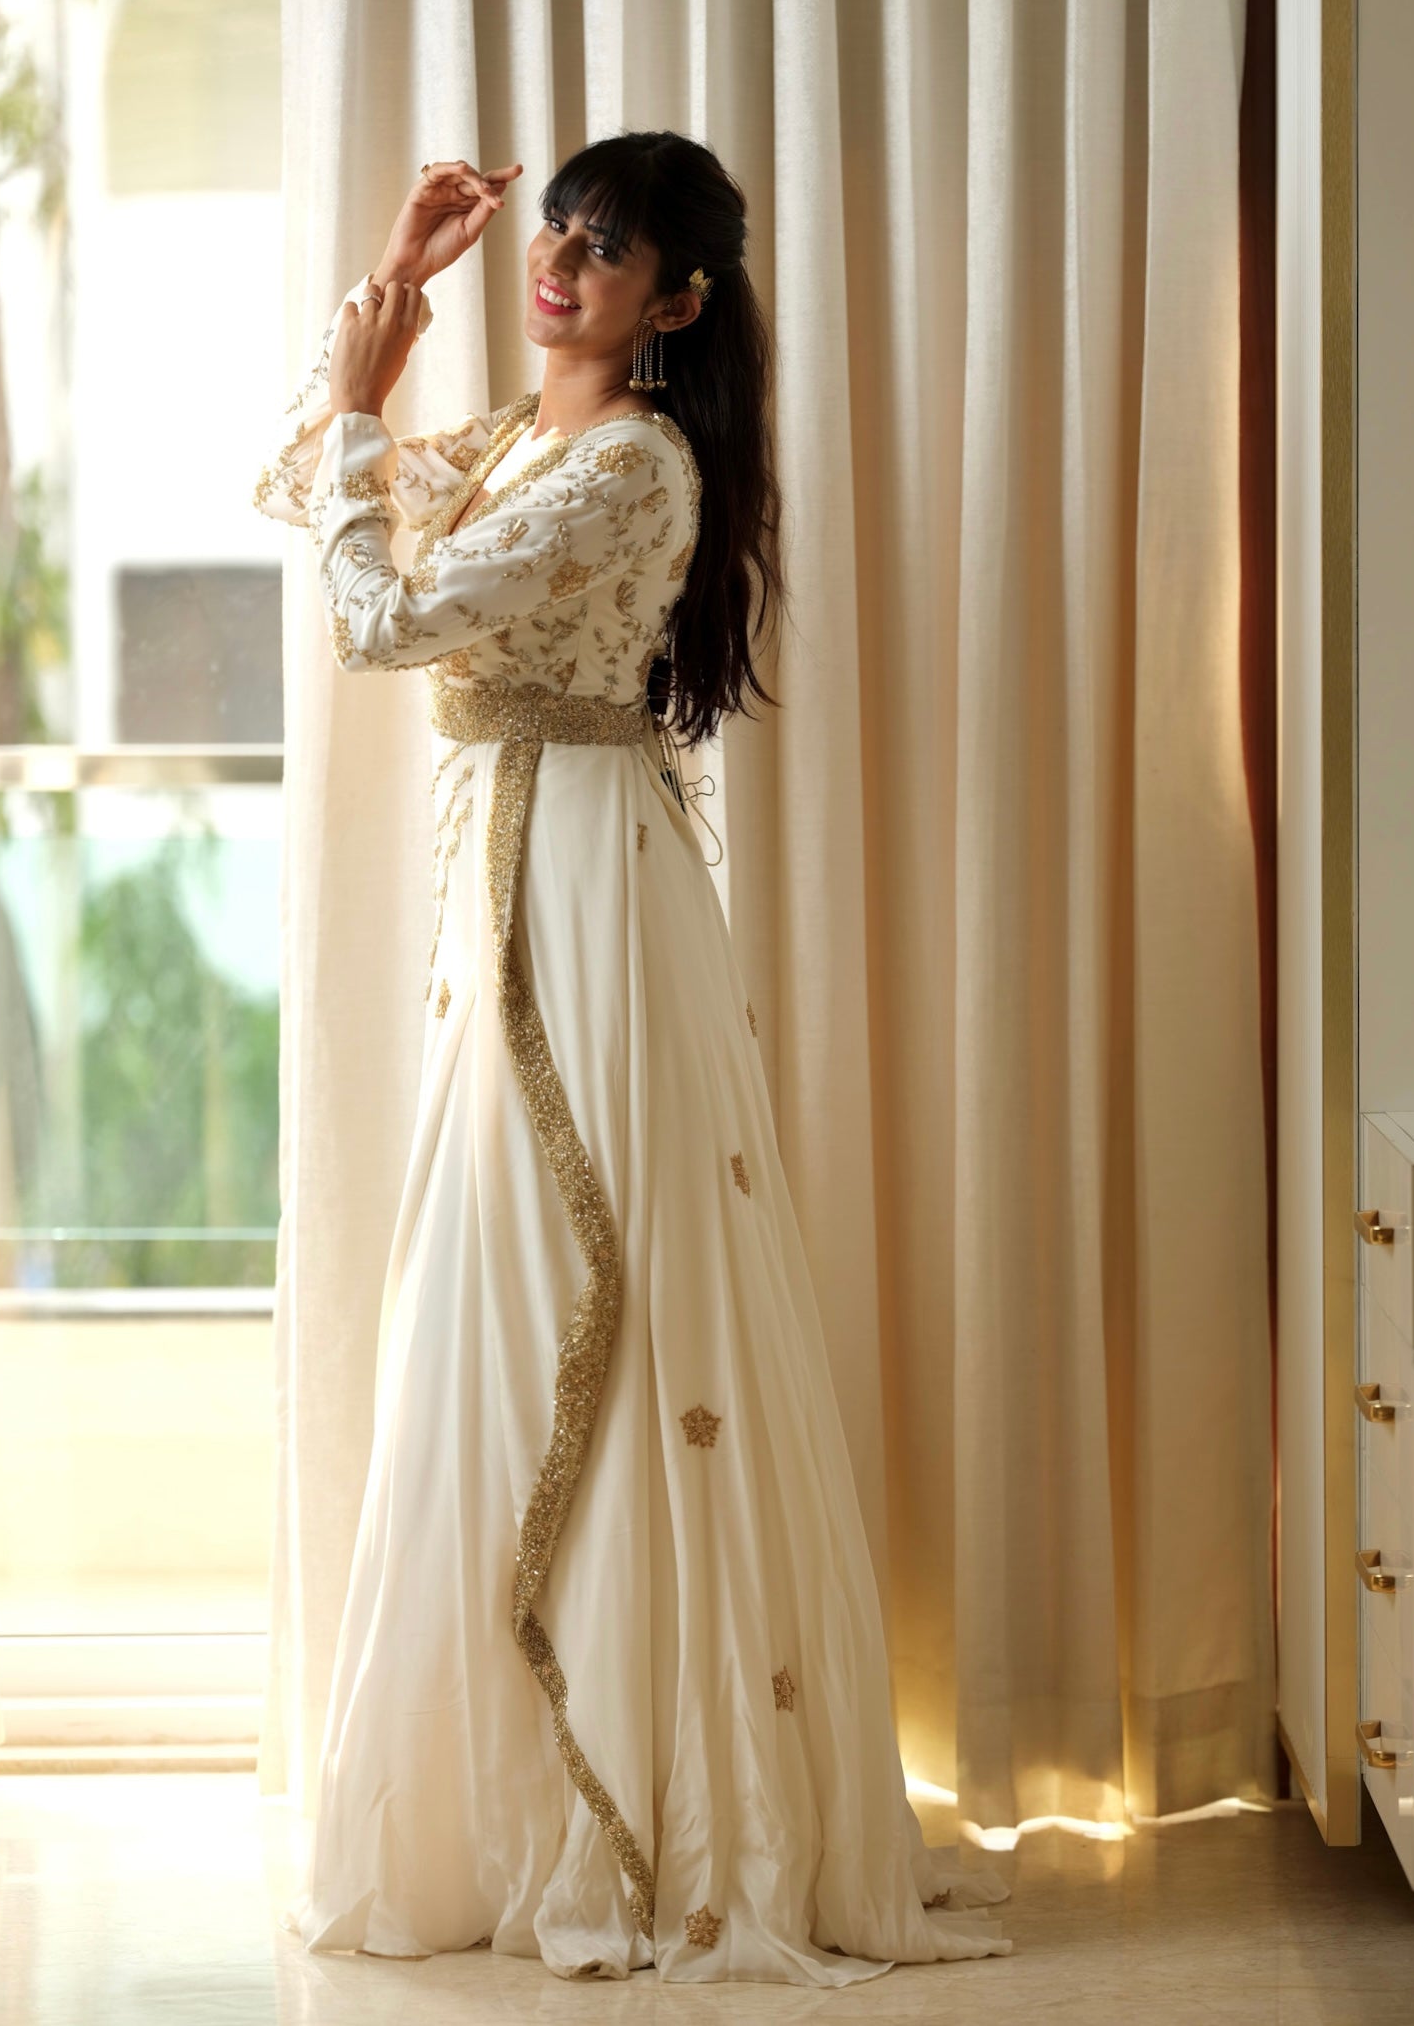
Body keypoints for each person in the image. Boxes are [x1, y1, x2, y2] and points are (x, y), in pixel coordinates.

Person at [254, 128, 1011, 1985]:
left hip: (581, 882)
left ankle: (647, 1804)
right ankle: (516, 1794)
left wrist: (368, 407)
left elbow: (377, 617)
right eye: (559, 232)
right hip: (517, 864)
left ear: (673, 301)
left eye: (603, 251)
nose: (561, 265)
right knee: (498, 1293)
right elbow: (297, 474)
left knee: (594, 1282)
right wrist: (393, 292)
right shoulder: (525, 438)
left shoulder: (628, 463)